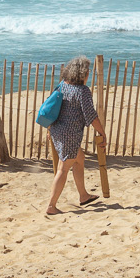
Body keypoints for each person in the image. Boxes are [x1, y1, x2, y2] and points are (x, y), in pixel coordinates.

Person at [44, 56, 107, 216]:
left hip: (57, 130)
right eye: (87, 72)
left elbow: (52, 106)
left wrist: (49, 128)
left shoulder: (62, 85)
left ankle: (83, 195)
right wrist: (102, 132)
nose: (88, 74)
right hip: (69, 135)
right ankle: (51, 205)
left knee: (80, 158)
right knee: (63, 169)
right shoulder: (83, 91)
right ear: (82, 73)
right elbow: (91, 115)